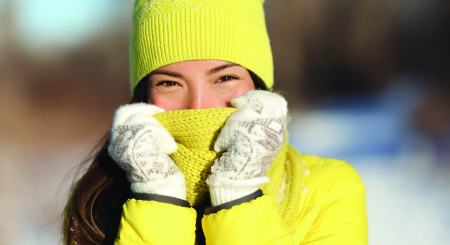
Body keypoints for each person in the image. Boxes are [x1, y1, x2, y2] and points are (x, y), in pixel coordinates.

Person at [62, 0, 368, 244]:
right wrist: (156, 193)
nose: (198, 106)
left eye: (225, 78)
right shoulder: (96, 197)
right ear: (144, 97)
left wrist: (238, 192)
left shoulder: (329, 187)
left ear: (259, 88)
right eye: (170, 83)